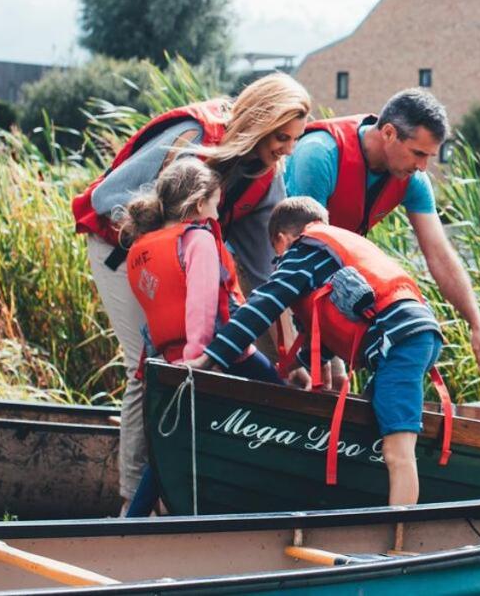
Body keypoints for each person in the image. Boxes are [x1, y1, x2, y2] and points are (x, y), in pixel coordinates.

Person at [72, 72, 310, 512]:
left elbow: (265, 275)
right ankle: (130, 501)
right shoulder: (193, 135)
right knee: (146, 368)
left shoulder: (267, 179)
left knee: (191, 366)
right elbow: (108, 196)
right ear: (259, 119)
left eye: (295, 140)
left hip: (185, 261)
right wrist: (169, 236)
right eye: (281, 136)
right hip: (123, 251)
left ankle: (175, 494)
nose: (287, 150)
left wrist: (289, 353)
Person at [188, 196, 453, 520]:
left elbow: (264, 304)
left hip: (399, 341)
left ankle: (398, 541)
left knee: (398, 451)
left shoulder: (304, 251)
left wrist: (209, 358)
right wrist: (300, 364)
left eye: (277, 255)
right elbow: (333, 324)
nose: (280, 261)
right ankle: (368, 509)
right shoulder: (330, 254)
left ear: (282, 240)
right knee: (369, 424)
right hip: (409, 335)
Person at [285, 88, 480, 380]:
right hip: (274, 268)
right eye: (418, 153)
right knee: (297, 376)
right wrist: (312, 342)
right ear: (388, 133)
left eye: (429, 156)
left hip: (326, 274)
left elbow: (439, 254)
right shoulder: (319, 155)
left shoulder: (413, 179)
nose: (423, 167)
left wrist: (478, 325)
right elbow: (298, 255)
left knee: (337, 382)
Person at [118, 160, 284, 517]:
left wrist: (172, 367)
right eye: (216, 202)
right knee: (282, 396)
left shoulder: (141, 247)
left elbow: (154, 313)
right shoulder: (198, 239)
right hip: (217, 353)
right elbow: (202, 305)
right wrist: (201, 363)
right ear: (198, 204)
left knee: (171, 443)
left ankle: (131, 522)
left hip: (167, 359)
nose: (218, 209)